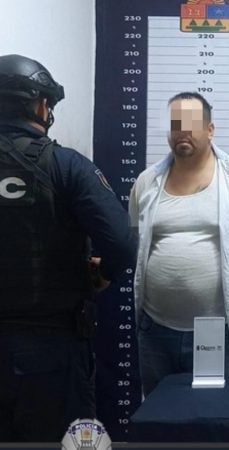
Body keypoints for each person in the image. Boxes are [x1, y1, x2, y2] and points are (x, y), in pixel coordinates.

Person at [0, 54, 136, 441]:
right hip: (50, 350)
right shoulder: (65, 165)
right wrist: (101, 274)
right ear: (41, 105)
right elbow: (121, 242)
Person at [129, 92, 229, 395]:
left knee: (214, 413)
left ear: (210, 129)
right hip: (155, 330)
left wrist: (224, 271)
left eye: (191, 123)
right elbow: (137, 242)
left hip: (218, 330)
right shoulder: (146, 182)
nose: (183, 131)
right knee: (158, 413)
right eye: (175, 124)